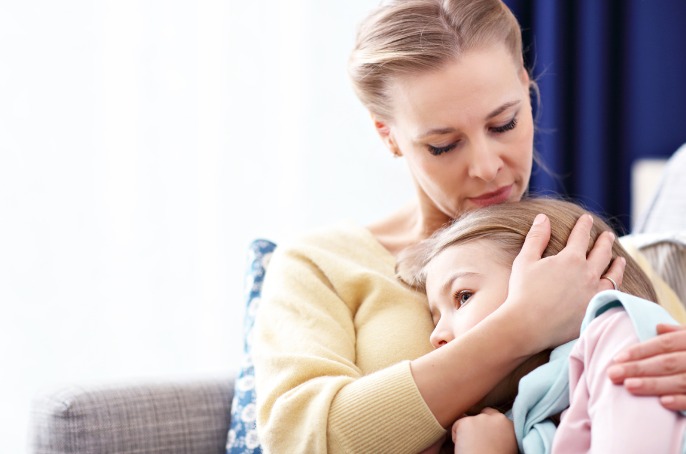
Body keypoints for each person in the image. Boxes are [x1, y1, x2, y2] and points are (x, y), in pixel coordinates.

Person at [252, 1, 686, 452]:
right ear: (389, 135)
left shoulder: (593, 254)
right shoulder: (324, 265)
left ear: (525, 85)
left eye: (504, 123)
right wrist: (519, 328)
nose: (485, 166)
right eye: (444, 145)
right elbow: (299, 439)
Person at [397, 198, 686, 453]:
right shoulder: (516, 417)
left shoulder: (621, 334)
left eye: (463, 296)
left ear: (565, 280)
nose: (435, 336)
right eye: (434, 318)